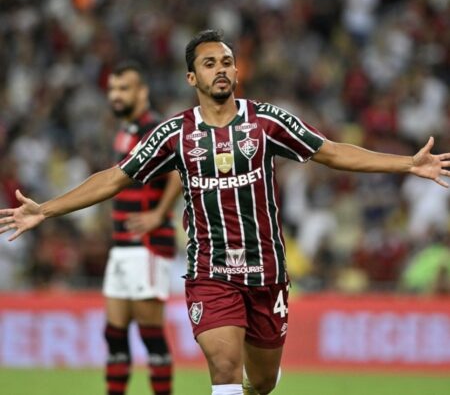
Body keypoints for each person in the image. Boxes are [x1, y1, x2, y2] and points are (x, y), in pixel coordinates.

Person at [1, 30, 449, 395]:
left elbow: (331, 152)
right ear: (192, 78)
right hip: (209, 273)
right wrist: (47, 210)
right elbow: (116, 177)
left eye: (227, 62)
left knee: (263, 382)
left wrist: (407, 163)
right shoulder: (174, 134)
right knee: (225, 369)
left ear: (237, 70)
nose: (221, 69)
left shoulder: (266, 122)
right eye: (210, 63)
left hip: (268, 272)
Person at [104, 61, 181, 395]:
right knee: (114, 335)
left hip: (147, 244)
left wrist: (158, 214)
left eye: (124, 88)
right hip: (122, 245)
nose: (116, 95)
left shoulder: (154, 128)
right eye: (112, 89)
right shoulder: (126, 130)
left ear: (142, 92)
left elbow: (178, 171)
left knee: (151, 336)